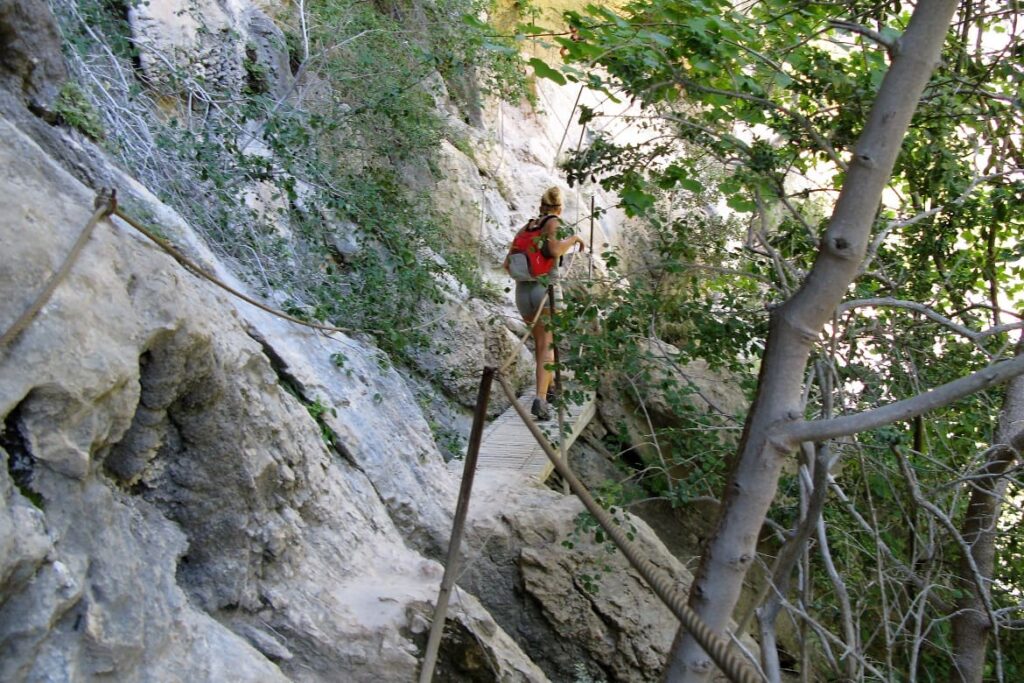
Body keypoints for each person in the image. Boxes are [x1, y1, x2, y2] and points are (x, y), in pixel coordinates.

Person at [503, 187, 586, 420]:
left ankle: (549, 390)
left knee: (539, 342)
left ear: (541, 205)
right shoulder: (554, 223)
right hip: (545, 289)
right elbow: (554, 249)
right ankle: (540, 399)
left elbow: (506, 263)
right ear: (559, 208)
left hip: (523, 293)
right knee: (546, 346)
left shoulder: (526, 227)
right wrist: (575, 239)